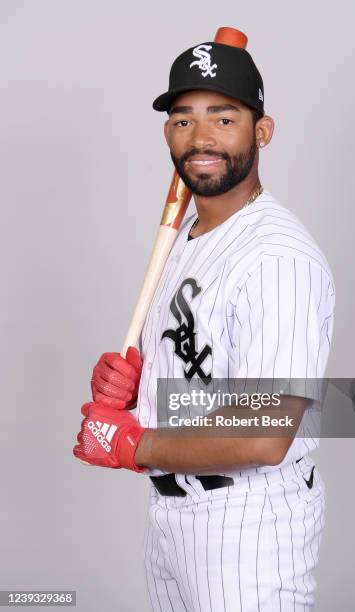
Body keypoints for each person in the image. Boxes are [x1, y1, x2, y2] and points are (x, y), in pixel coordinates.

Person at [74, 40, 336, 611]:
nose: (200, 139)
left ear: (262, 132)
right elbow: (206, 380)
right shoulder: (189, 235)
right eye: (183, 119)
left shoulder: (277, 257)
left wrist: (133, 442)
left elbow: (265, 432)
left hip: (250, 527)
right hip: (173, 516)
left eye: (224, 117)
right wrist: (137, 392)